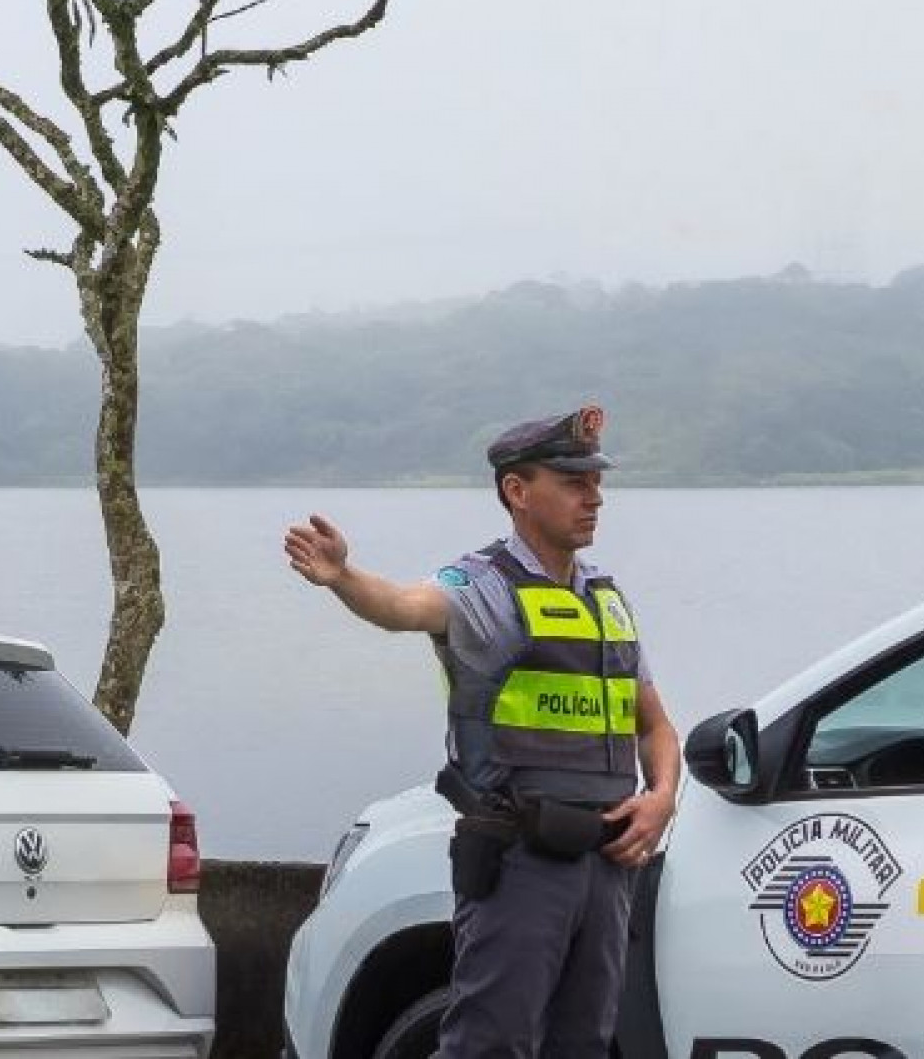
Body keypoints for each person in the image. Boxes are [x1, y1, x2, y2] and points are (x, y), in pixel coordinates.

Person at [283, 405, 680, 1059]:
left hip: (606, 867)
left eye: (595, 481)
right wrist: (345, 578)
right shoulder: (485, 588)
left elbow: (656, 727)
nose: (595, 496)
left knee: (583, 1043)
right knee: (490, 1043)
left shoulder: (606, 600)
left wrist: (661, 796)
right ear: (517, 491)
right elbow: (406, 606)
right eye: (574, 481)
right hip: (521, 862)